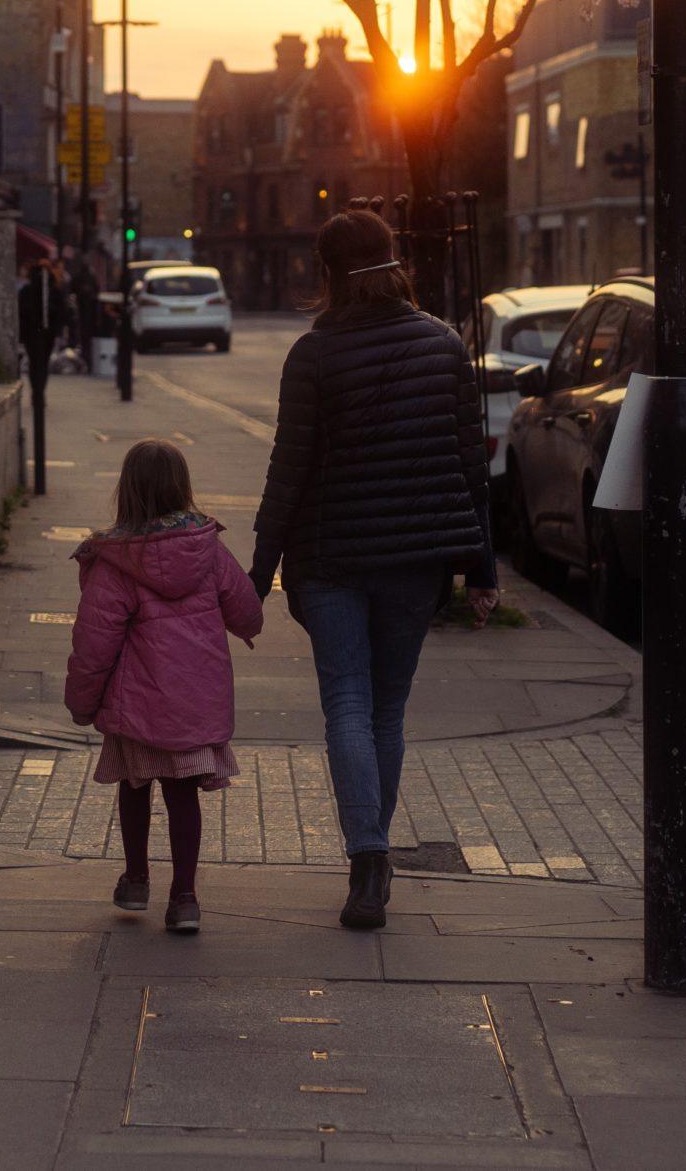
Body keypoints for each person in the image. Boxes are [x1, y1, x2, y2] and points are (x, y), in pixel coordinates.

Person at [249, 209, 497, 932]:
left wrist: (258, 574)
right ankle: (372, 855)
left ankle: (368, 858)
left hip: (330, 561)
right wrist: (482, 568)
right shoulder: (444, 346)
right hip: (416, 561)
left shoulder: (313, 356)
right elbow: (469, 470)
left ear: (327, 272)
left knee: (347, 706)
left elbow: (286, 474)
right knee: (384, 709)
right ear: (394, 263)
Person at [64, 439, 263, 935]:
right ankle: (185, 898)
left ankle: (135, 879)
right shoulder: (208, 549)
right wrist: (243, 628)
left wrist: (82, 702)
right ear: (182, 487)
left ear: (126, 491)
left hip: (137, 705)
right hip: (193, 704)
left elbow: (94, 643)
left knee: (134, 788)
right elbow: (248, 611)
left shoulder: (116, 562)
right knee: (182, 797)